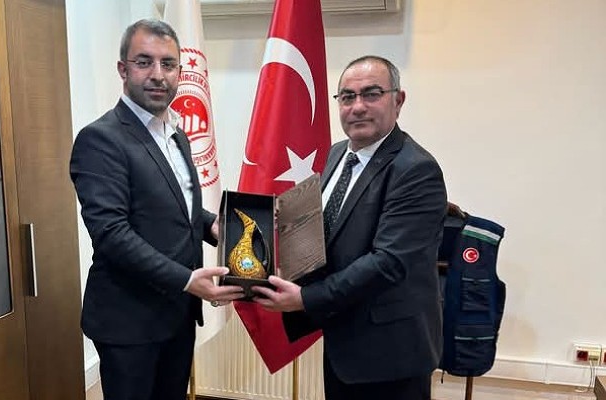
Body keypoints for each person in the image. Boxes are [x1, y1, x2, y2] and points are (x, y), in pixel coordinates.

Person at [253, 55, 447, 400]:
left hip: (391, 355)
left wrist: (306, 299)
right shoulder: (338, 153)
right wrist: (268, 230)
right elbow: (326, 229)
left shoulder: (416, 169)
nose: (357, 107)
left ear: (398, 100)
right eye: (347, 97)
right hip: (344, 342)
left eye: (371, 94)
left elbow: (388, 262)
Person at [70, 19, 244, 400]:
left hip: (177, 315)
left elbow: (178, 207)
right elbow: (112, 234)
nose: (158, 75)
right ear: (123, 69)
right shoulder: (100, 139)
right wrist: (187, 280)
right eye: (144, 62)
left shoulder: (176, 134)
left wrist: (216, 227)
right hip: (129, 322)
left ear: (180, 71)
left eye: (168, 64)